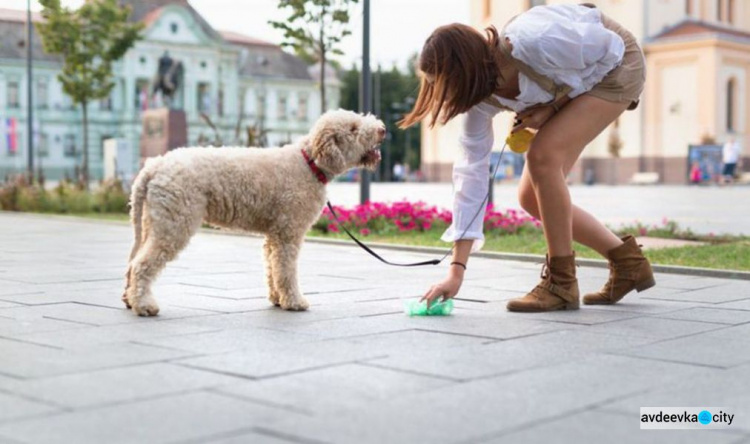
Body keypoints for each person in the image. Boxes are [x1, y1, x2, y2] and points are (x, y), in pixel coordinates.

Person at [399, 3, 655, 312]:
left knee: (543, 156)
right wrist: (455, 272)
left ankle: (561, 284)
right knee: (531, 198)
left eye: (441, 84)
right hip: (587, 76)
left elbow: (609, 48)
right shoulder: (480, 100)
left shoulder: (533, 40)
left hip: (617, 64)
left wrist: (555, 107)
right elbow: (471, 176)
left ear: (463, 71)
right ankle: (628, 264)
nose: (442, 95)